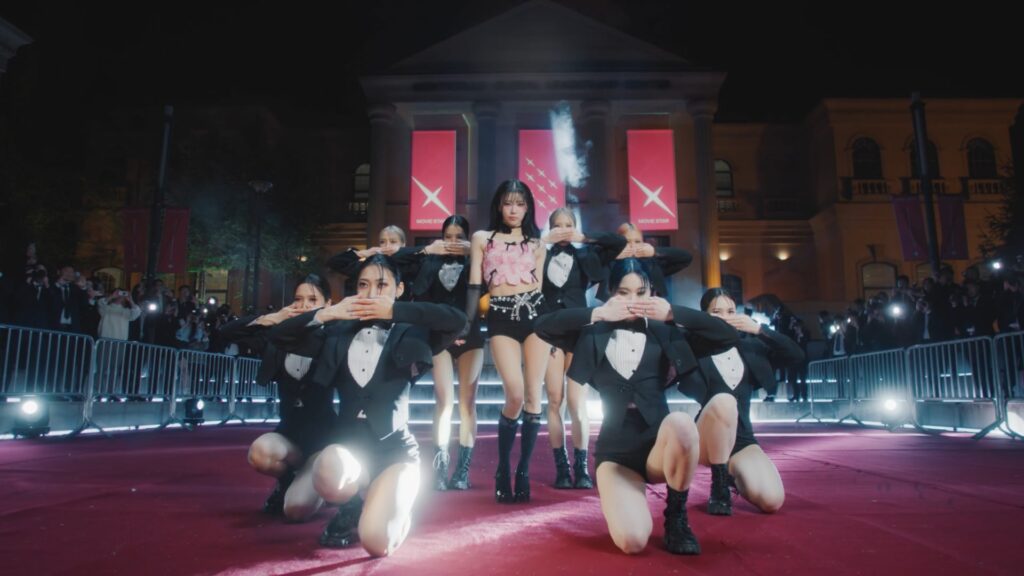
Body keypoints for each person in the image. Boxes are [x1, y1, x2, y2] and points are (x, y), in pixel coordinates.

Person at [536, 259, 738, 555]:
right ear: (611, 294)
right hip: (616, 455)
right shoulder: (593, 333)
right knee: (632, 542)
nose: (633, 300)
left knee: (682, 422)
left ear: (652, 293)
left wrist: (673, 312)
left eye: (640, 293)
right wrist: (598, 312)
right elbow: (542, 326)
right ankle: (632, 502)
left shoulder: (666, 332)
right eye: (623, 292)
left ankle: (676, 517)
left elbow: (727, 335)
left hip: (660, 446)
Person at [268, 255, 465, 555]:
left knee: (376, 543)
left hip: (394, 451)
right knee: (328, 463)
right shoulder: (337, 332)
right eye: (363, 285)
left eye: (382, 285)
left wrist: (394, 310)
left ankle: (395, 505)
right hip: (348, 450)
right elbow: (278, 335)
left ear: (399, 289)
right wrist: (327, 313)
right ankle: (350, 506)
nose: (371, 293)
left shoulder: (413, 331)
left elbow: (458, 320)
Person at [218, 274, 338, 522]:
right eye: (298, 299)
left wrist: (318, 321)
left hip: (322, 442)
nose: (304, 305)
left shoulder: (333, 340)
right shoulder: (277, 339)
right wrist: (273, 318)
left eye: (312, 300)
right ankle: (287, 479)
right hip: (288, 436)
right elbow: (226, 332)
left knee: (295, 511)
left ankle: (317, 482)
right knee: (259, 454)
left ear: (327, 304)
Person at [680, 288, 803, 517]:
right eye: (716, 312)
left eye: (730, 311)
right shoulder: (691, 346)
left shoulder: (750, 347)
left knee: (772, 500)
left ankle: (732, 475)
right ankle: (718, 488)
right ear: (704, 316)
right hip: (706, 437)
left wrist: (759, 330)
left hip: (742, 439)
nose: (725, 317)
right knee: (724, 401)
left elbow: (796, 355)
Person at [465, 179, 549, 503]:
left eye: (520, 203)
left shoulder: (538, 244)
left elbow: (539, 289)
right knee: (514, 393)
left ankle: (523, 470)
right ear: (499, 205)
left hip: (535, 316)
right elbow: (475, 285)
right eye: (508, 203)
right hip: (500, 316)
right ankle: (502, 467)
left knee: (533, 395)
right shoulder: (482, 239)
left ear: (528, 208)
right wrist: (467, 326)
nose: (514, 209)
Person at [392, 215, 485, 490]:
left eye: (459, 237)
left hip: (471, 337)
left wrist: (474, 252)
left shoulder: (476, 261)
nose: (453, 242)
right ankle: (441, 468)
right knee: (444, 402)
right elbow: (397, 259)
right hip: (439, 338)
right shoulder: (429, 261)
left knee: (468, 404)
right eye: (448, 236)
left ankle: (462, 471)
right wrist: (427, 250)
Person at [539, 207, 626, 489]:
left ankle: (581, 467)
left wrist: (584, 237)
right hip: (550, 332)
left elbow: (617, 242)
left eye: (568, 224)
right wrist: (544, 241)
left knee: (577, 403)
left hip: (580, 331)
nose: (563, 229)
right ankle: (562, 468)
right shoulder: (540, 254)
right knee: (555, 401)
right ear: (550, 228)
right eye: (558, 225)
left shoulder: (586, 255)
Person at [597, 222, 692, 301]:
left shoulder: (652, 263)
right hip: (616, 311)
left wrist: (655, 251)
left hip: (651, 311)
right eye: (627, 241)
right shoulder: (609, 262)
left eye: (637, 241)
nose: (633, 246)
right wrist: (612, 255)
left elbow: (686, 258)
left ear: (643, 242)